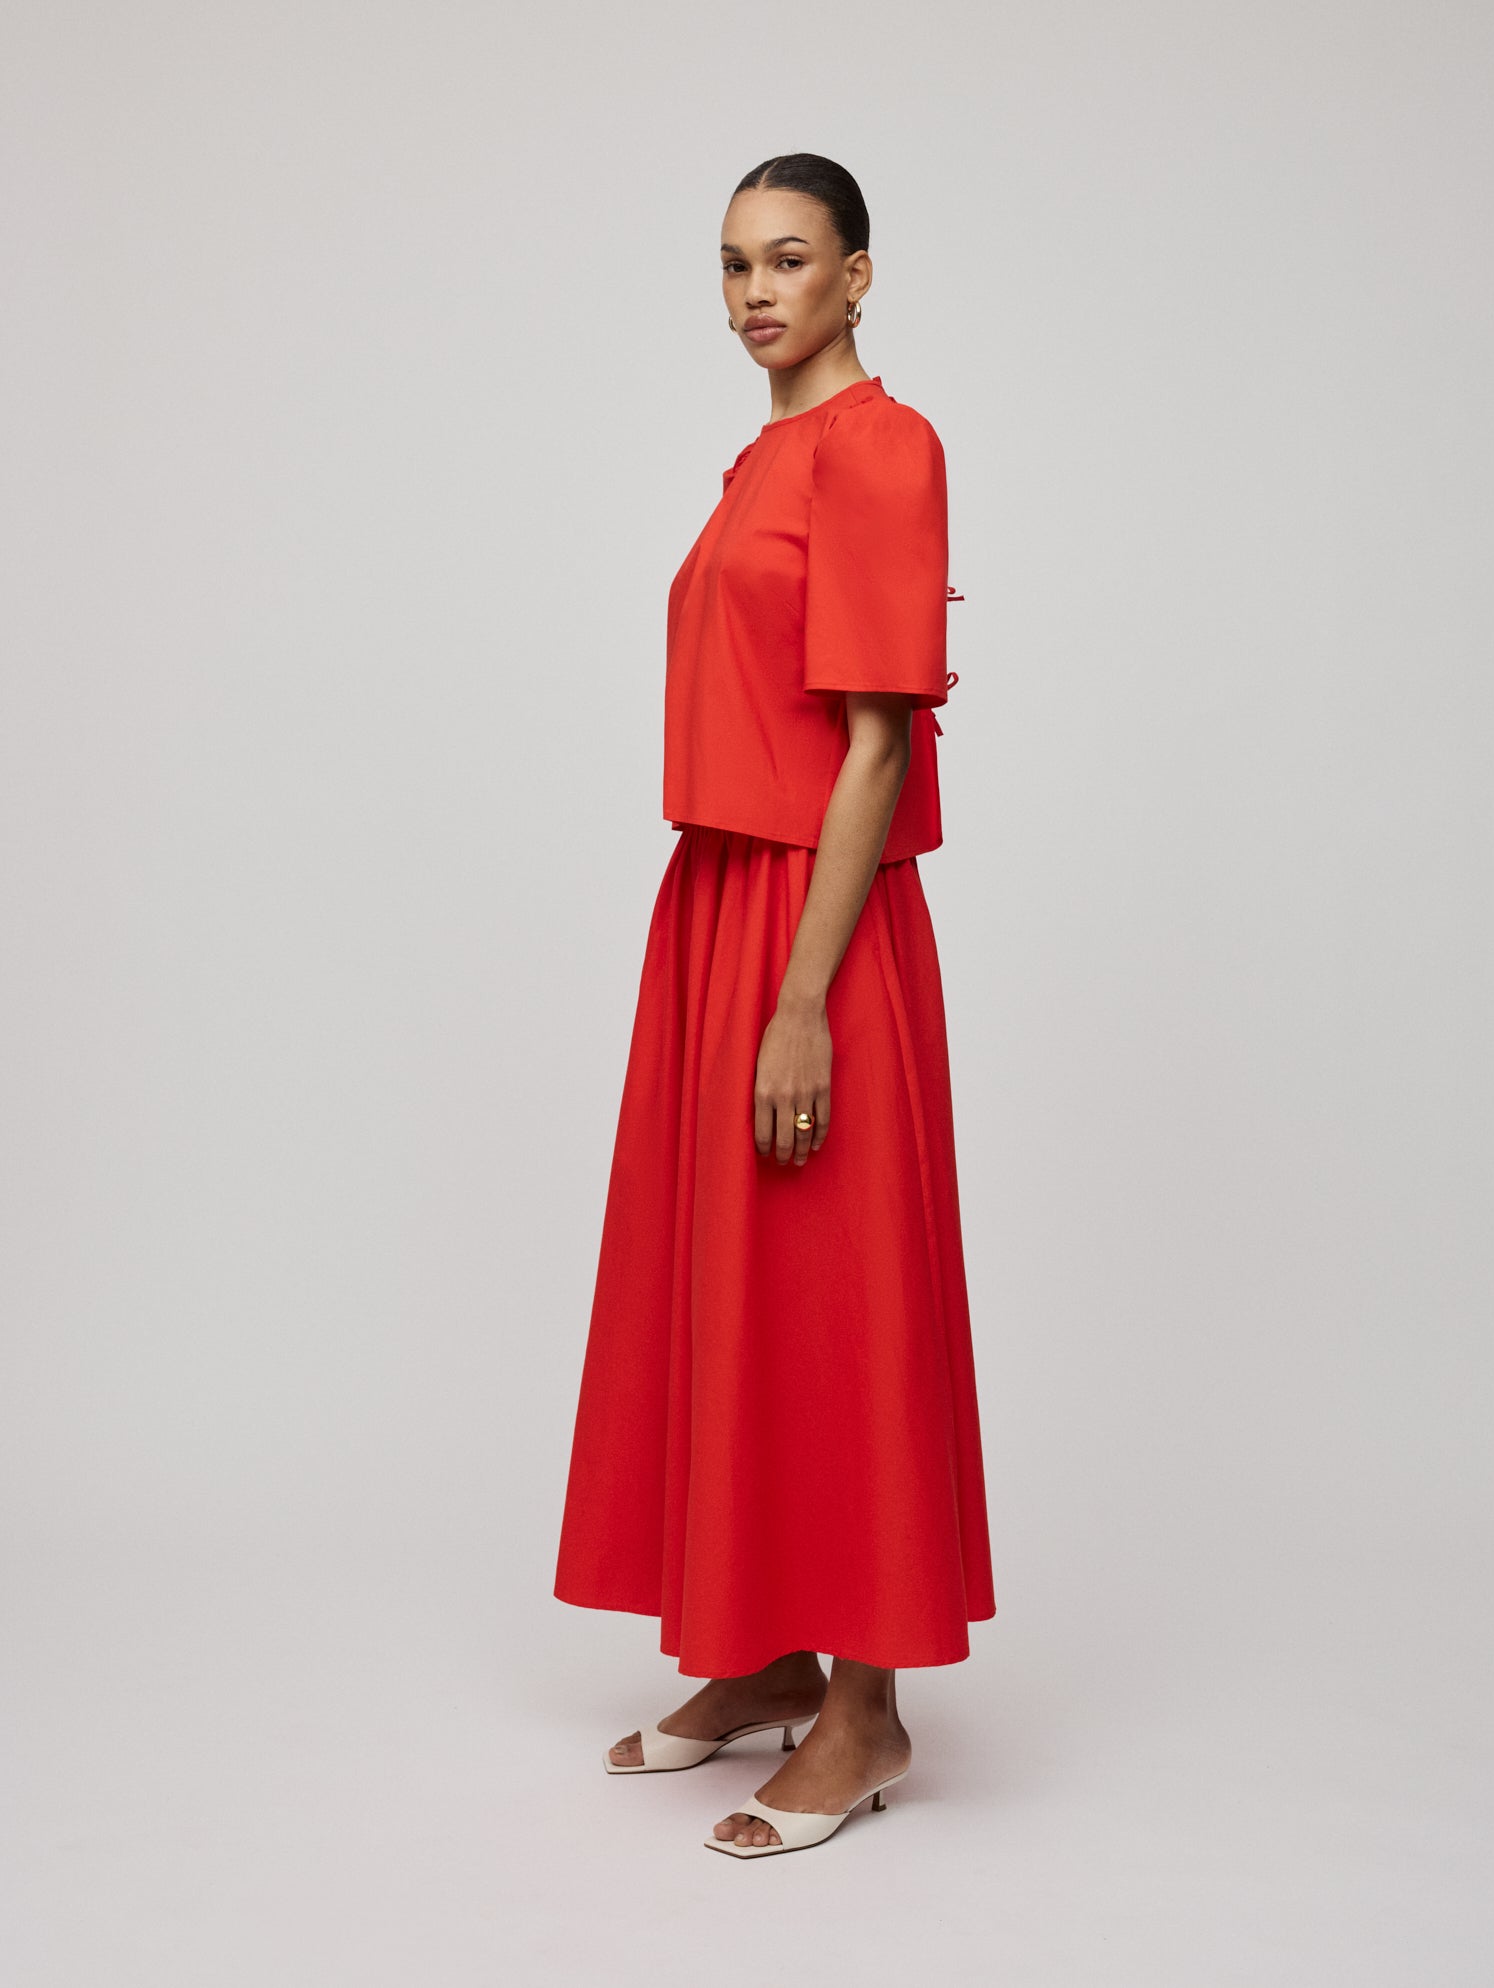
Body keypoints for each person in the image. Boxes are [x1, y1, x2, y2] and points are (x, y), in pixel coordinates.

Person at [553, 152, 996, 1859]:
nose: (756, 291)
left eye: (791, 259)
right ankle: (760, 1647)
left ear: (860, 277)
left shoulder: (884, 446)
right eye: (734, 263)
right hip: (718, 900)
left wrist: (804, 997)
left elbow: (880, 741)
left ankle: (868, 1710)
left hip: (819, 922)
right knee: (726, 1276)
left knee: (838, 1284)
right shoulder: (765, 453)